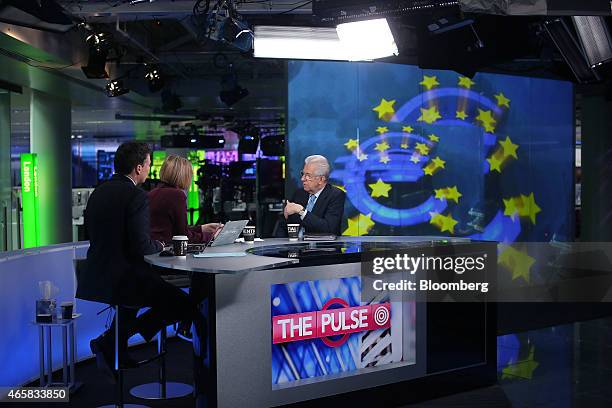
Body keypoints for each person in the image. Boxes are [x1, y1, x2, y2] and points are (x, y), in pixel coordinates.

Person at [77, 141, 198, 380]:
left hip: (97, 277)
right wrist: (163, 245)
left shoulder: (98, 192)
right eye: (149, 164)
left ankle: (115, 347)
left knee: (131, 302)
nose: (149, 168)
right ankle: (110, 341)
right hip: (125, 278)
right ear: (139, 167)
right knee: (184, 305)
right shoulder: (136, 196)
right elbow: (143, 246)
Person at [149, 155, 222, 245]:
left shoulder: (152, 193)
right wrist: (211, 237)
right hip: (167, 250)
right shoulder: (177, 195)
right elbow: (183, 236)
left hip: (154, 248)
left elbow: (172, 229)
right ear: (184, 175)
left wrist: (202, 228)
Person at [284, 155, 345, 236]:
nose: (302, 179)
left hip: (323, 247)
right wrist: (286, 215)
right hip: (297, 246)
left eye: (308, 175)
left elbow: (329, 228)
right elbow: (286, 225)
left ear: (321, 179)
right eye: (303, 174)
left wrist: (302, 211)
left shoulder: (335, 195)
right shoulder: (299, 193)